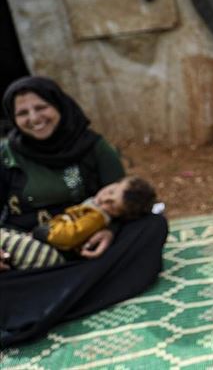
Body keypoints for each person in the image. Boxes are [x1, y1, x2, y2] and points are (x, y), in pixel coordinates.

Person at [0, 76, 168, 346]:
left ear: (59, 105)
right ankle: (71, 293)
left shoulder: (94, 147)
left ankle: (53, 297)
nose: (34, 118)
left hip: (84, 249)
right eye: (22, 113)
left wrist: (109, 232)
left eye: (41, 107)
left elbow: (121, 198)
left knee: (152, 225)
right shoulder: (7, 154)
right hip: (27, 248)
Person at [1, 176, 156, 270]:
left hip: (52, 250)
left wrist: (44, 233)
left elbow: (69, 236)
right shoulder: (92, 207)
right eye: (110, 192)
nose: (104, 200)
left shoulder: (96, 217)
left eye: (113, 205)